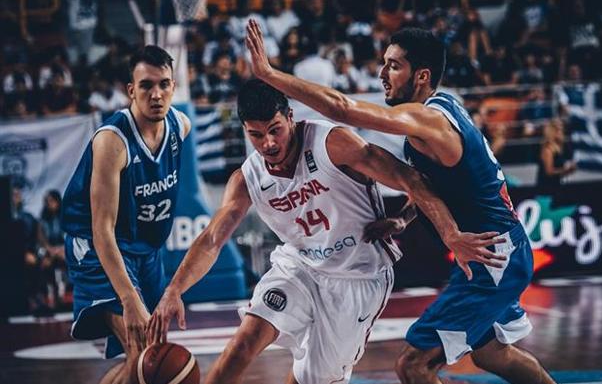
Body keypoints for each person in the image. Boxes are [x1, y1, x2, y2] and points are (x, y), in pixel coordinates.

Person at [245, 20, 556, 384]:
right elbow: (432, 184)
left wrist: (269, 74)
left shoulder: (430, 119)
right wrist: (405, 219)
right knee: (492, 354)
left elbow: (343, 109)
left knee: (413, 365)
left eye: (394, 65)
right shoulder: (438, 115)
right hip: (497, 252)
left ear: (421, 76)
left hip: (492, 256)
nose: (382, 73)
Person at [147, 79, 505, 384]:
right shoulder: (247, 178)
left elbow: (410, 178)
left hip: (357, 278)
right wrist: (173, 290)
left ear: (290, 117)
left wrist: (429, 227)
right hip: (299, 266)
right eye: (257, 135)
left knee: (311, 380)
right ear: (245, 131)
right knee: (245, 340)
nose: (269, 143)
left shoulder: (332, 144)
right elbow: (212, 238)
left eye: (275, 130)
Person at [61, 45, 191, 384]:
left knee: (148, 357)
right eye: (146, 86)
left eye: (164, 84)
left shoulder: (181, 126)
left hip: (145, 249)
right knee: (143, 352)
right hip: (97, 246)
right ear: (130, 90)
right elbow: (101, 228)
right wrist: (128, 297)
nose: (157, 94)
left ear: (173, 86)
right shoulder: (112, 142)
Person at [537, 118, 576, 195]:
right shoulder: (547, 149)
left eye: (562, 129)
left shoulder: (560, 148)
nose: (562, 132)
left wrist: (568, 170)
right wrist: (565, 170)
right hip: (546, 188)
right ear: (552, 131)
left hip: (556, 185)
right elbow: (549, 172)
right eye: (558, 130)